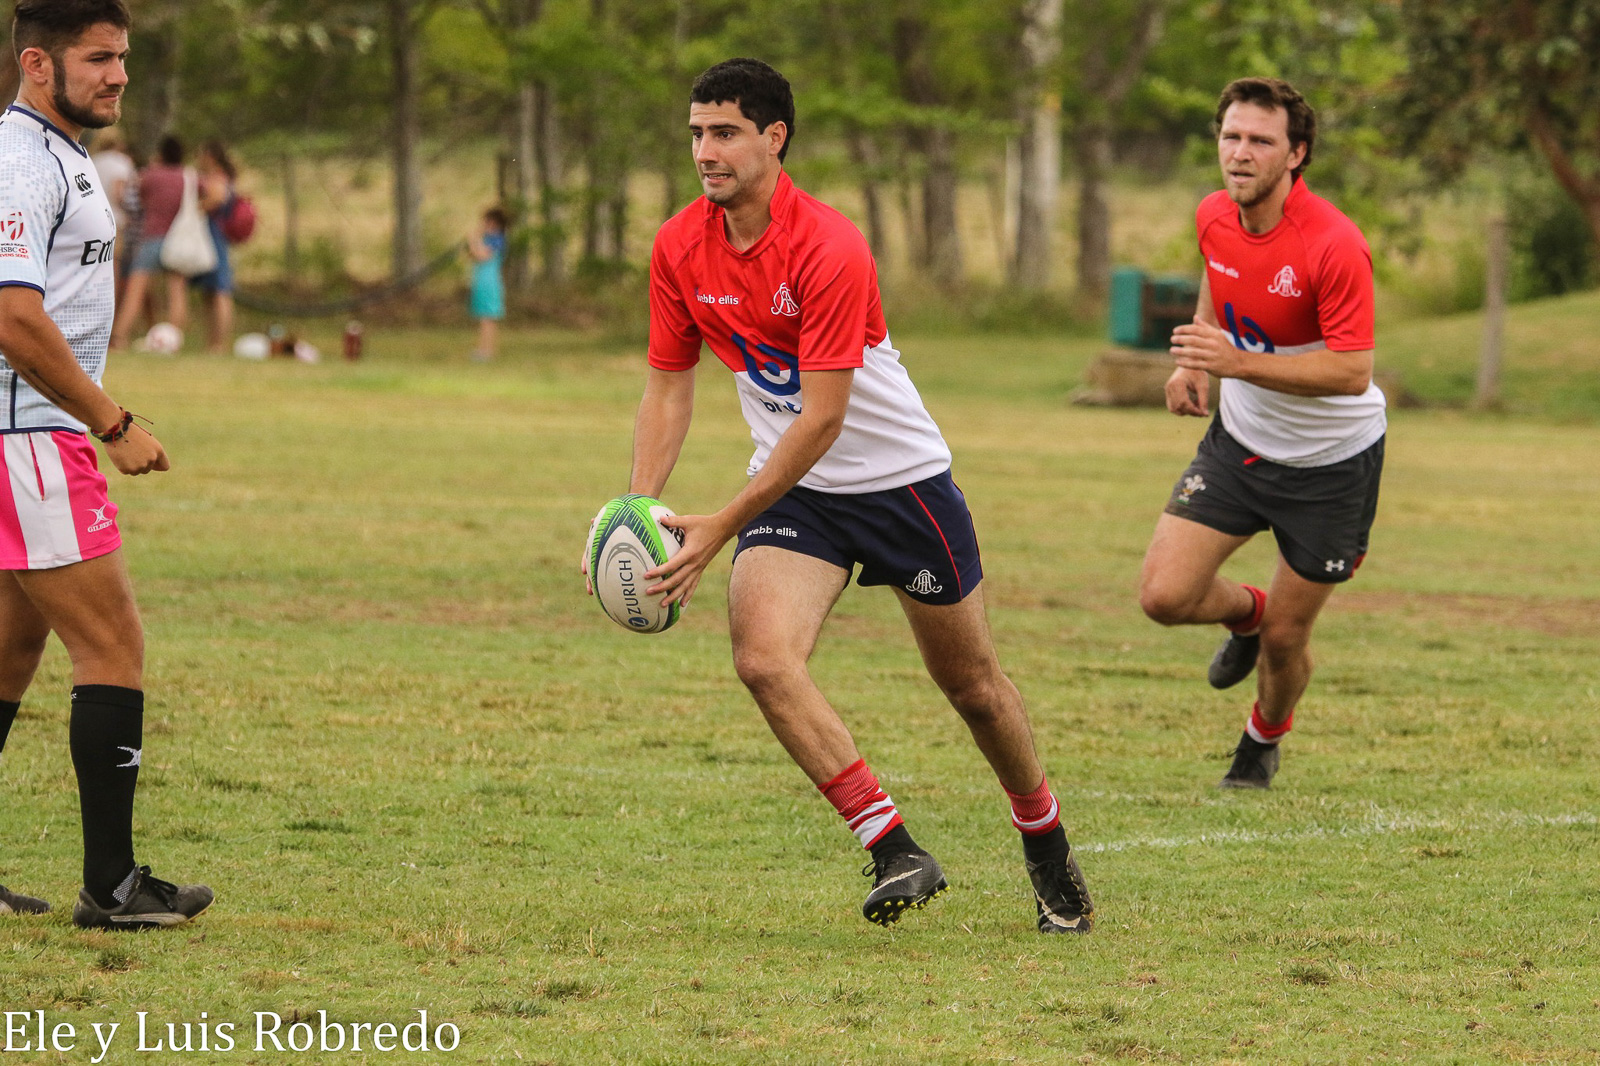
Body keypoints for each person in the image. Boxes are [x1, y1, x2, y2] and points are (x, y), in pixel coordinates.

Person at [594, 58, 1093, 933]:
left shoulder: (828, 245)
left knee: (973, 687)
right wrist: (640, 510)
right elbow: (670, 384)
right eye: (697, 134)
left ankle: (1043, 835)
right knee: (762, 659)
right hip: (799, 497)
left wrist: (717, 528)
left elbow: (824, 418)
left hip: (901, 488)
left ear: (773, 138)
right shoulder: (679, 246)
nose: (705, 152)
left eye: (724, 133)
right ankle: (893, 845)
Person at [0, 0, 212, 927]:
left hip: (27, 440)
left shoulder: (63, 155)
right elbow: (12, 316)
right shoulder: (19, 158)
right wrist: (112, 421)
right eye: (98, 59)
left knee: (9, 651)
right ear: (38, 62)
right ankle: (113, 884)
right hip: (35, 440)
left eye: (122, 57)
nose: (118, 75)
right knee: (112, 647)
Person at [1138, 77, 1385, 789]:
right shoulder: (1214, 214)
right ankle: (1247, 615)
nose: (1240, 154)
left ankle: (1261, 737)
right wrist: (1196, 361)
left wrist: (1235, 360)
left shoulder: (1334, 245)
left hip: (1332, 464)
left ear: (1296, 154)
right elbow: (1219, 282)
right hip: (1241, 444)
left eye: (1260, 141)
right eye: (1231, 137)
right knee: (1164, 597)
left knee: (1288, 641)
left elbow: (1351, 370)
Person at [108, 133, 186, 350]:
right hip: (177, 241)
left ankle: (119, 337)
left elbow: (135, 199)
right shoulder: (187, 176)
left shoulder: (150, 175)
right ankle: (174, 340)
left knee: (136, 288)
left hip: (151, 236)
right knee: (176, 291)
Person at [191, 139, 236, 355]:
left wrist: (194, 209)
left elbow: (216, 199)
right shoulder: (216, 175)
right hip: (209, 237)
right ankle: (213, 341)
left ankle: (219, 343)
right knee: (210, 292)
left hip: (214, 237)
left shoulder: (217, 177)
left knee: (220, 290)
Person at [88, 126, 133, 299]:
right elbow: (118, 193)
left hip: (92, 219)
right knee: (112, 265)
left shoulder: (93, 161)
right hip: (115, 221)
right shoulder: (121, 162)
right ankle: (109, 305)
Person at [467, 206, 507, 361]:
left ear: (493, 223)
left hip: (489, 283)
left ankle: (486, 351)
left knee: (487, 318)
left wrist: (473, 239)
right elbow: (473, 255)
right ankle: (484, 349)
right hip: (482, 281)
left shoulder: (497, 240)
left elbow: (481, 256)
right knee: (484, 317)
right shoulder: (488, 239)